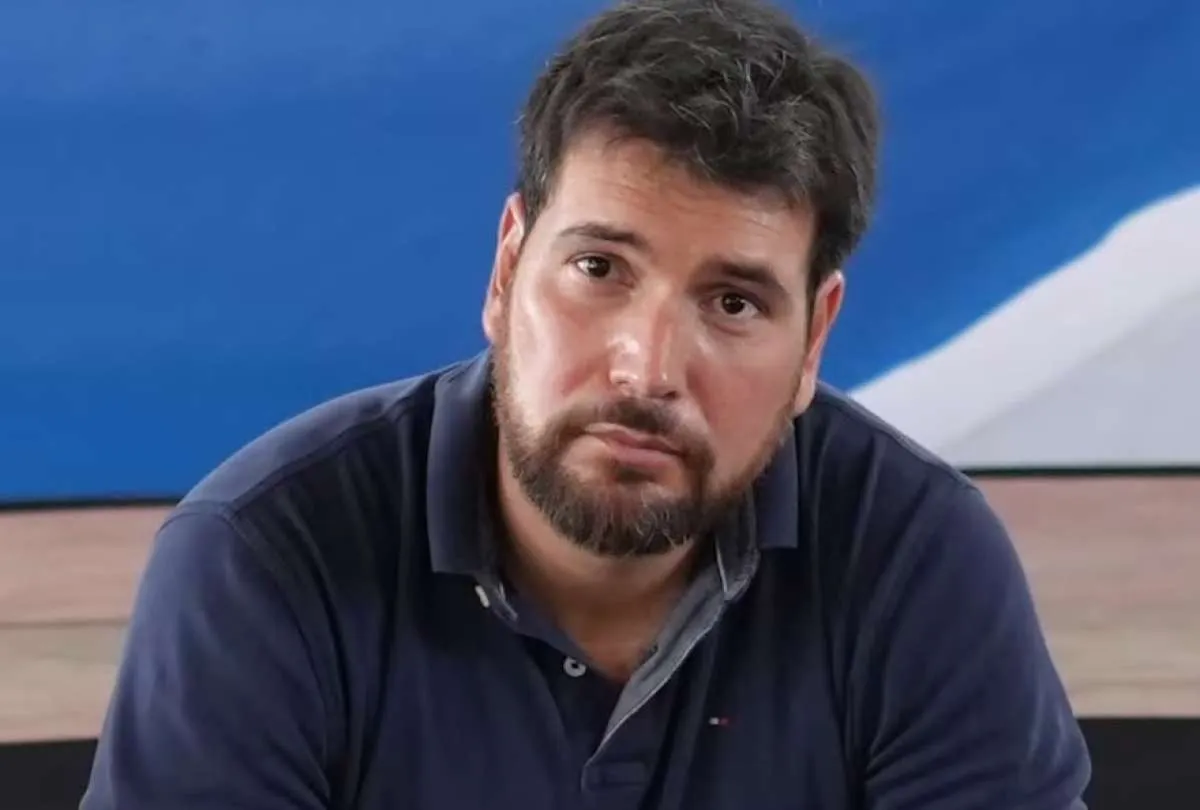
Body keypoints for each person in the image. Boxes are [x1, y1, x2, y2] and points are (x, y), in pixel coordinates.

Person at [81, 0, 1091, 807]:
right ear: (506, 269)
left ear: (813, 341)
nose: (647, 370)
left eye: (733, 303)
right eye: (600, 268)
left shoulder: (918, 561)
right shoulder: (263, 556)